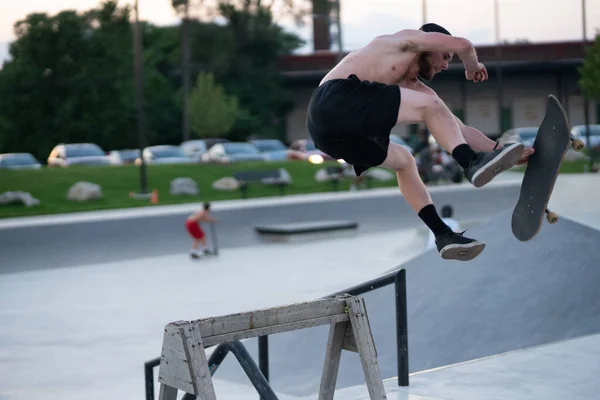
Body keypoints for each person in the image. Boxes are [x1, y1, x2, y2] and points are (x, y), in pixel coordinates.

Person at [306, 22, 535, 261]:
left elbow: (459, 129)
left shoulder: (416, 90)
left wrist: (507, 152)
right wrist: (472, 67)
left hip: (333, 137)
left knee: (404, 160)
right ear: (430, 43)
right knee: (432, 107)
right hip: (332, 99)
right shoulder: (403, 41)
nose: (445, 65)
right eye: (445, 57)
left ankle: (443, 235)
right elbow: (464, 45)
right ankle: (470, 162)